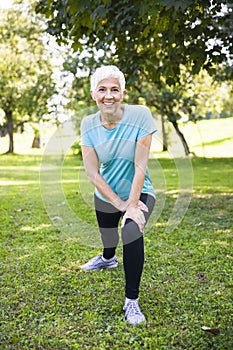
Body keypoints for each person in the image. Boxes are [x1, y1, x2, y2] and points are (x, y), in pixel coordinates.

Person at [80, 65, 157, 325]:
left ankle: (131, 302)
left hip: (140, 191)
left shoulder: (141, 116)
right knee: (109, 239)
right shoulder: (88, 124)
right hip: (106, 193)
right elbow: (92, 173)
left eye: (114, 89)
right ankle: (107, 259)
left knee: (131, 230)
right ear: (93, 94)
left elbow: (140, 164)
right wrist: (119, 204)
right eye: (102, 89)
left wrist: (132, 206)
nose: (108, 95)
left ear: (123, 93)